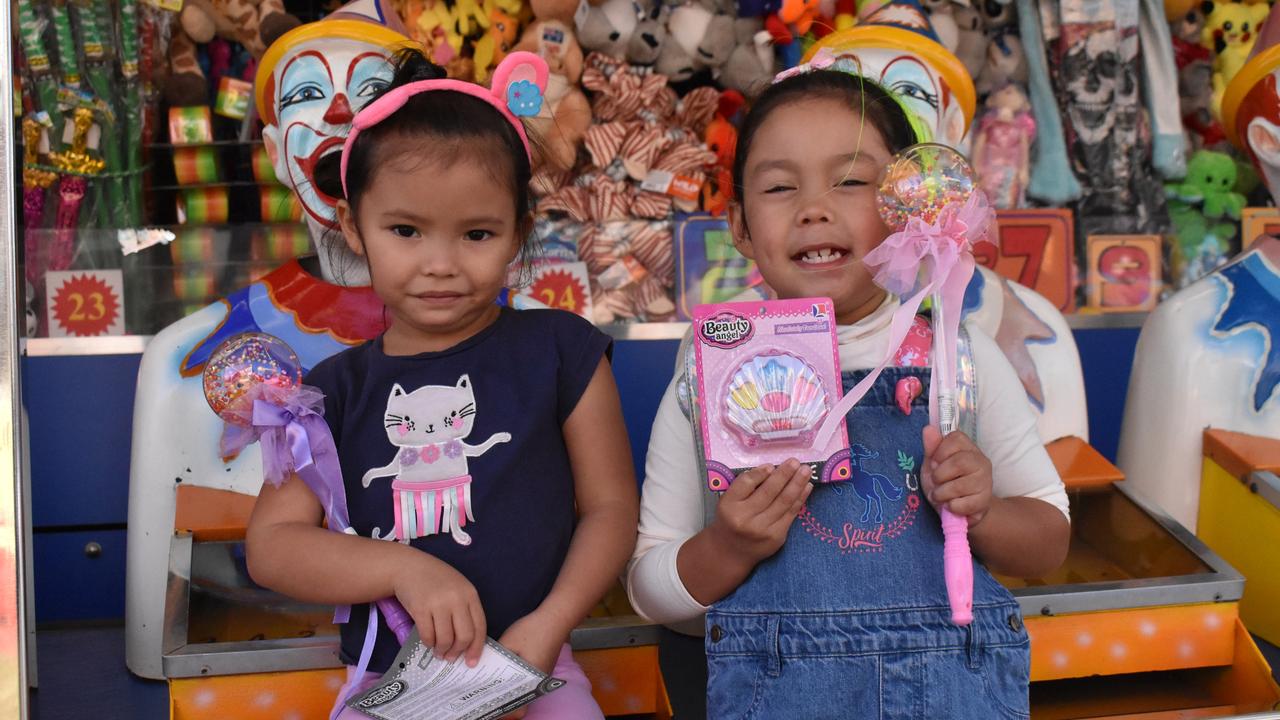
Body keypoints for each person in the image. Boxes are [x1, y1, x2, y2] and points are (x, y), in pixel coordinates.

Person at [627, 57, 1070, 718]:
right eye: (779, 188)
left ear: (907, 209)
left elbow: (1050, 542)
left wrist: (983, 512)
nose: (814, 209)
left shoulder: (959, 363)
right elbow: (649, 592)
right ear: (742, 228)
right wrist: (728, 547)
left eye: (853, 180)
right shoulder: (706, 379)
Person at [245, 48, 639, 720]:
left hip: (537, 664)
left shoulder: (562, 352)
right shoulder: (331, 391)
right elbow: (272, 547)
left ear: (519, 231)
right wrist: (404, 568)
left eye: (477, 233)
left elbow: (611, 510)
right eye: (405, 230)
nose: (440, 264)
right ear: (352, 226)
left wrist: (548, 628)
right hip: (389, 683)